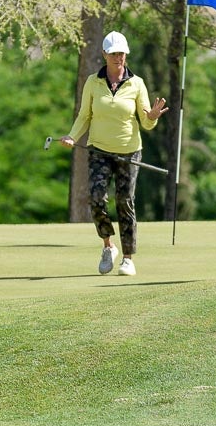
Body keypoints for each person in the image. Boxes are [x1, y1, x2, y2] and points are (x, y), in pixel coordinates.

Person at [59, 30, 167, 277]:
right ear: (105, 54)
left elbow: (146, 122)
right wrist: (72, 137)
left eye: (122, 53)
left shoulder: (136, 83)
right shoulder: (92, 82)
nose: (119, 58)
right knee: (96, 198)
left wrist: (151, 117)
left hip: (129, 153)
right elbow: (84, 115)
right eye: (115, 53)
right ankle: (108, 246)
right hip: (99, 150)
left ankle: (128, 259)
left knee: (125, 202)